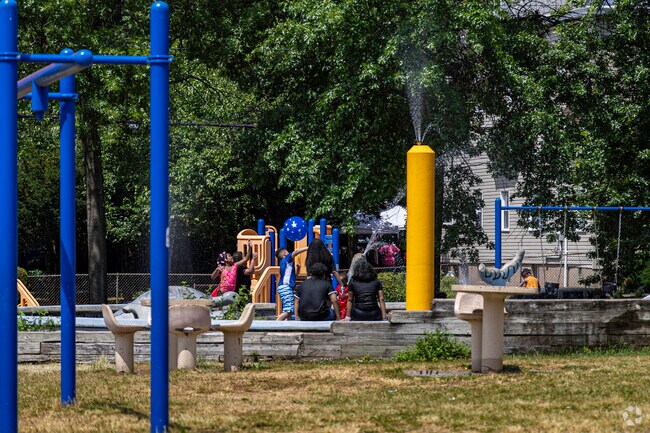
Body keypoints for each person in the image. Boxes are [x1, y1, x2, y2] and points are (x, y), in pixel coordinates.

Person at [275, 246, 308, 320]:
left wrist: (298, 269)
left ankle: (287, 327)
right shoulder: (287, 258)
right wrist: (307, 248)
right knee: (289, 310)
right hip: (286, 288)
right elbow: (296, 252)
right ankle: (275, 324)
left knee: (289, 310)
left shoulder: (285, 264)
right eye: (287, 252)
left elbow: (293, 277)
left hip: (284, 288)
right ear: (284, 254)